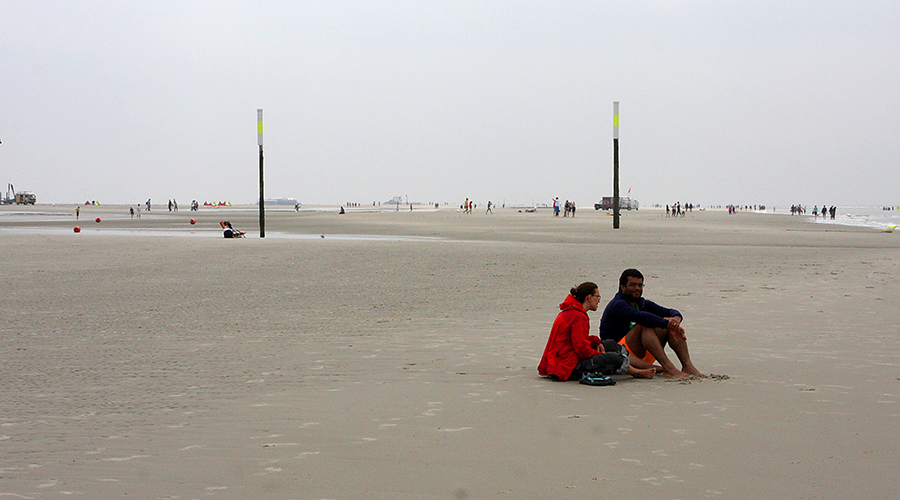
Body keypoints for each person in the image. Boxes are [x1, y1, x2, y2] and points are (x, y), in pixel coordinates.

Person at [539, 282, 656, 385]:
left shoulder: (571, 312)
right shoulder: (578, 316)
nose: (599, 301)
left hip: (561, 359)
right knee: (615, 358)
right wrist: (598, 354)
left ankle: (642, 366)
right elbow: (582, 349)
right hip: (567, 366)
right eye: (597, 297)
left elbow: (572, 340)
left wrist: (595, 341)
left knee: (610, 344)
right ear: (589, 298)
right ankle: (637, 372)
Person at [598, 269, 703, 379]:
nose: (637, 288)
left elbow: (670, 312)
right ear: (622, 287)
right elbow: (641, 317)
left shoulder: (641, 303)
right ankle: (669, 369)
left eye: (640, 285)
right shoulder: (617, 304)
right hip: (621, 355)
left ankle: (688, 366)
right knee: (645, 325)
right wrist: (667, 323)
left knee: (670, 326)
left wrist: (675, 321)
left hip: (643, 353)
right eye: (632, 285)